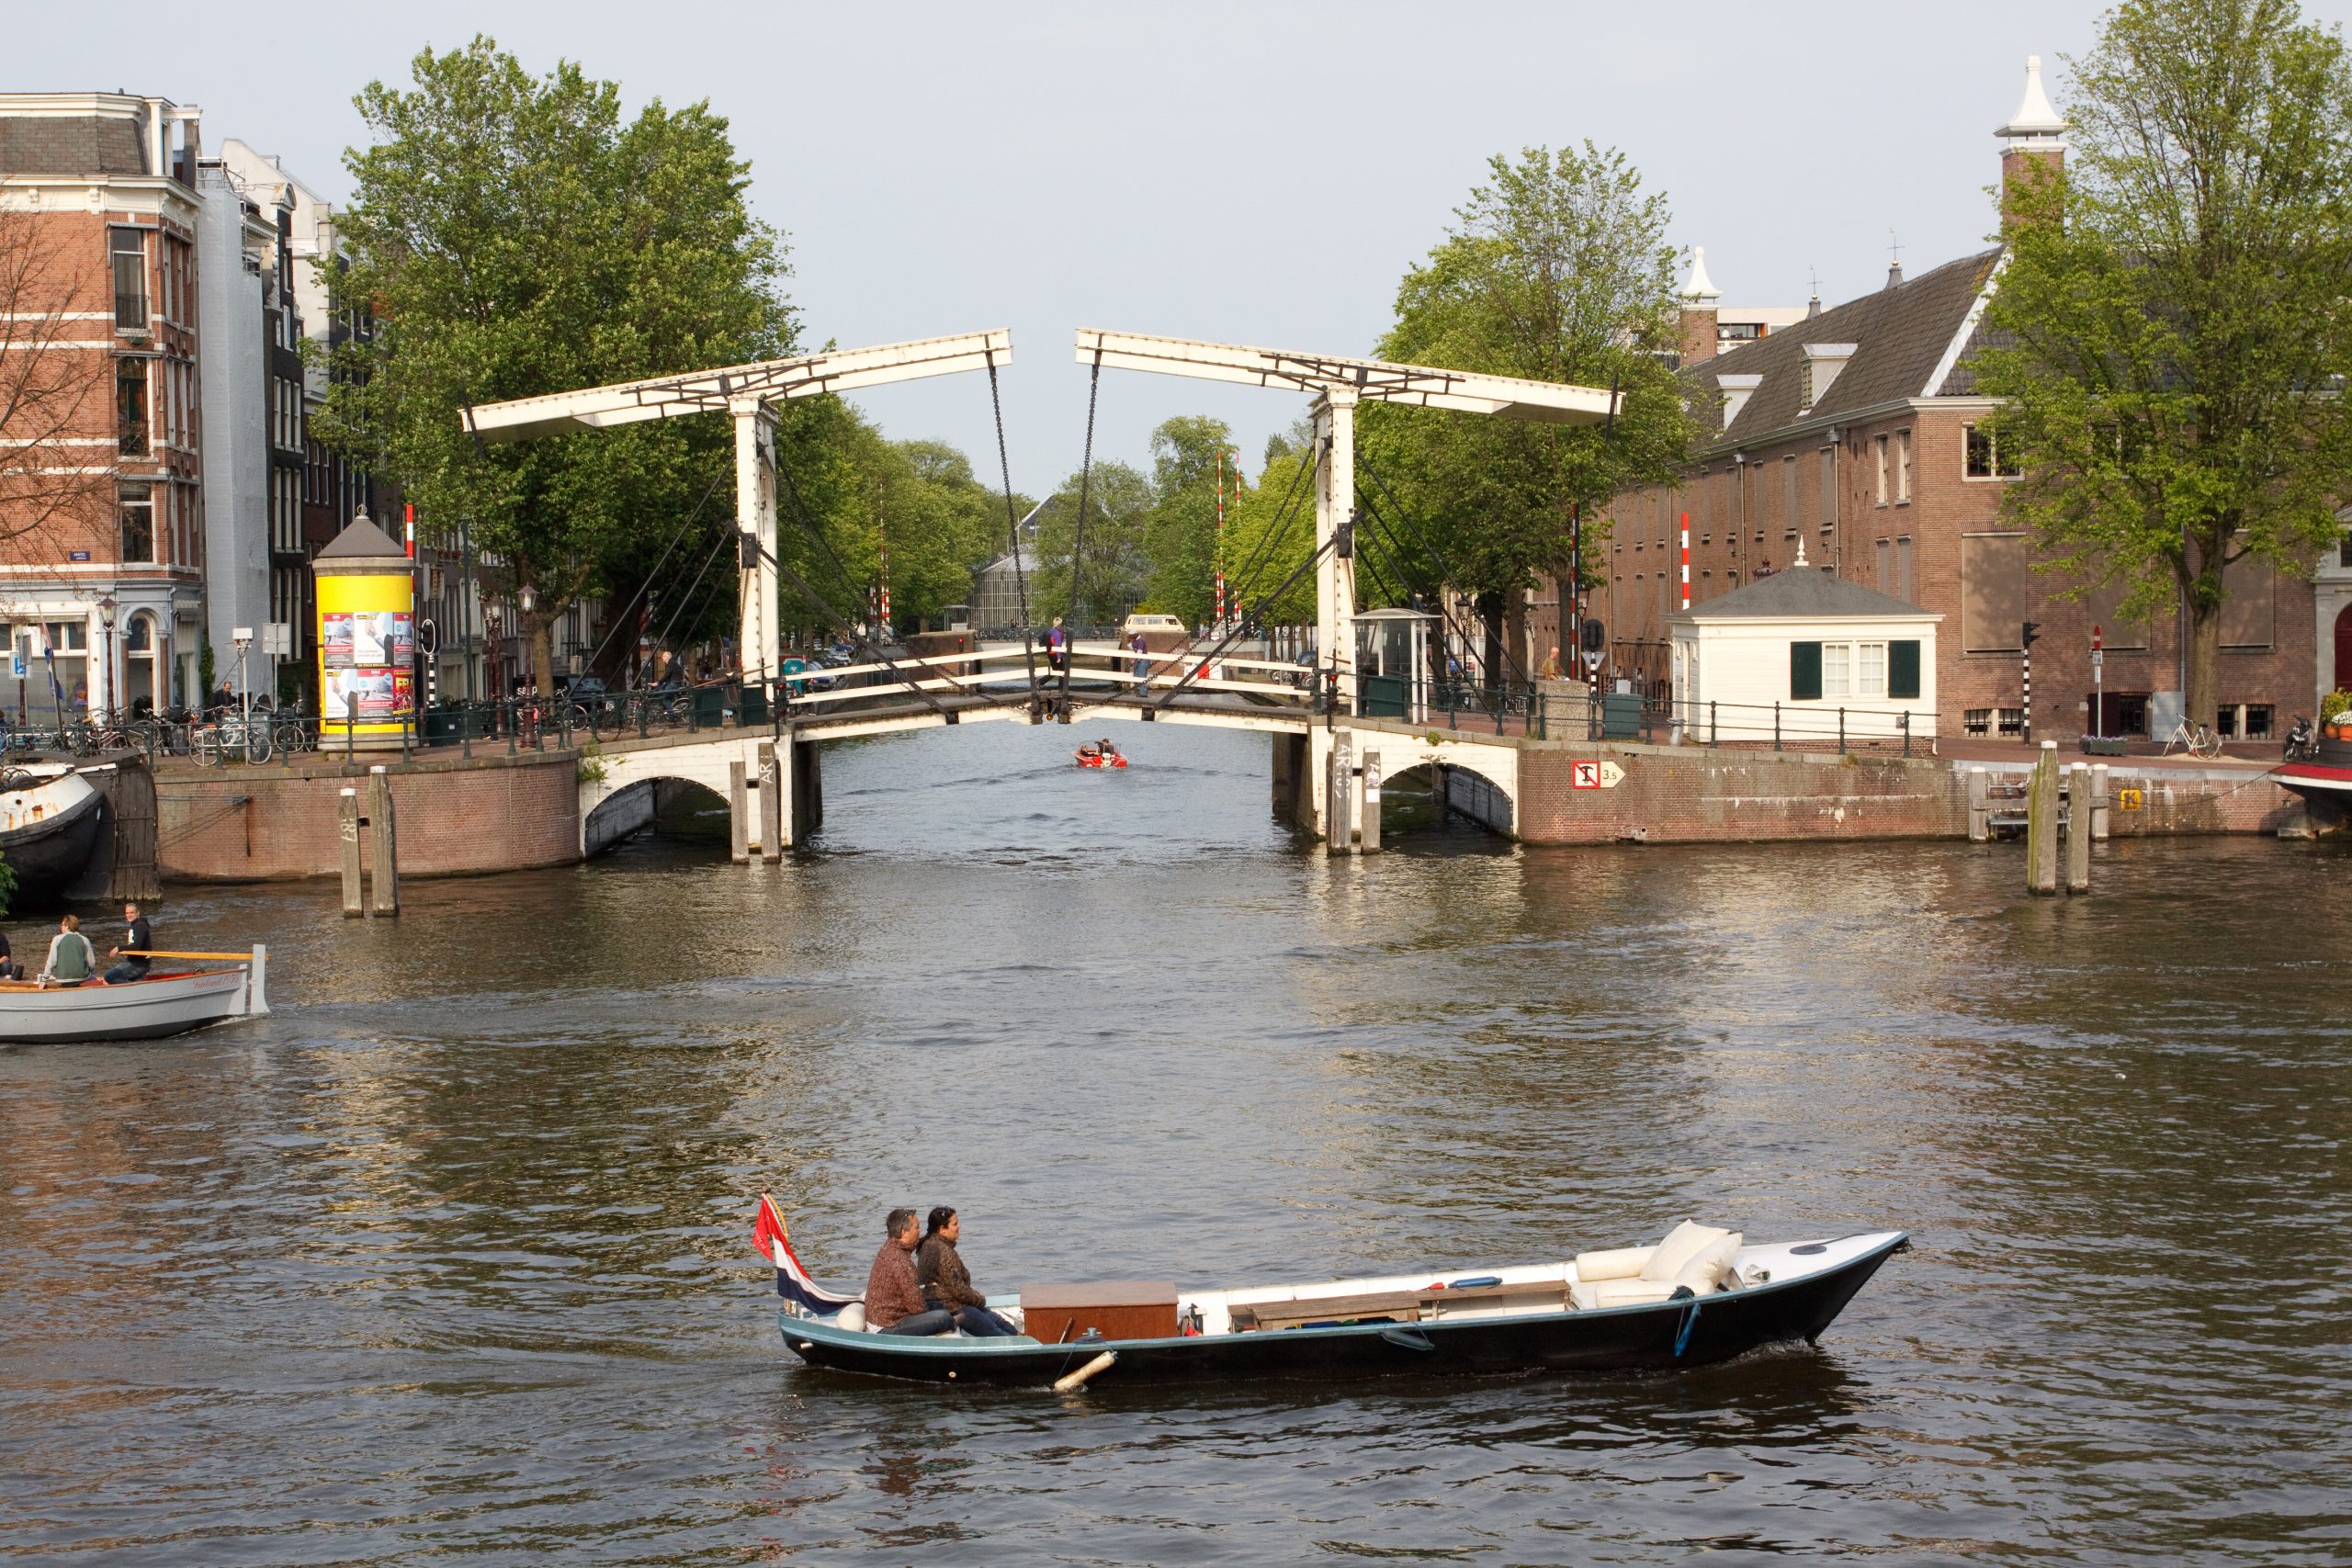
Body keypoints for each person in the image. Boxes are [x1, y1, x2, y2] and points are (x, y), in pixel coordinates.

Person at [915, 1207, 1018, 1336]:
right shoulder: (944, 1252)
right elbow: (959, 1290)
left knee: (997, 1319)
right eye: (955, 1224)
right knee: (996, 1331)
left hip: (940, 1302)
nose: (959, 1227)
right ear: (942, 1229)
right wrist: (979, 1300)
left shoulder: (927, 1245)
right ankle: (1023, 1346)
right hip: (952, 1306)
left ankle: (1020, 1335)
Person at [863, 1207, 954, 1336]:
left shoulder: (889, 1247)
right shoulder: (900, 1261)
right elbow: (917, 1308)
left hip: (885, 1317)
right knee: (942, 1316)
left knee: (938, 1305)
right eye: (916, 1227)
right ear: (903, 1232)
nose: (919, 1231)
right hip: (887, 1327)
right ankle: (950, 1324)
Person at [102, 901, 152, 986]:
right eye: (127, 913)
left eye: (132, 912)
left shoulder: (140, 926)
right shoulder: (135, 925)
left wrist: (118, 948)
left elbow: (136, 947)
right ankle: (135, 983)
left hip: (139, 964)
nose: (129, 915)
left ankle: (133, 988)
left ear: (138, 913)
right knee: (116, 974)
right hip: (136, 963)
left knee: (109, 976)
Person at [39, 914, 96, 987]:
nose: (61, 927)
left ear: (68, 926)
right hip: (82, 978)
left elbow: (52, 961)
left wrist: (44, 979)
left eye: (62, 925)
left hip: (62, 979)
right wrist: (92, 973)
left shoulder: (57, 939)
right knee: (93, 977)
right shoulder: (85, 940)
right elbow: (92, 963)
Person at [1129, 628, 1150, 694]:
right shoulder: (1134, 641)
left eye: (1131, 636)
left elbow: (1139, 652)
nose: (1130, 637)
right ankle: (1139, 691)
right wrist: (1129, 642)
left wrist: (1133, 660)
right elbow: (1132, 650)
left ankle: (1143, 693)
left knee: (1141, 676)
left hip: (1143, 660)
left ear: (1135, 635)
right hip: (1138, 659)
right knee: (1136, 675)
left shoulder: (1141, 641)